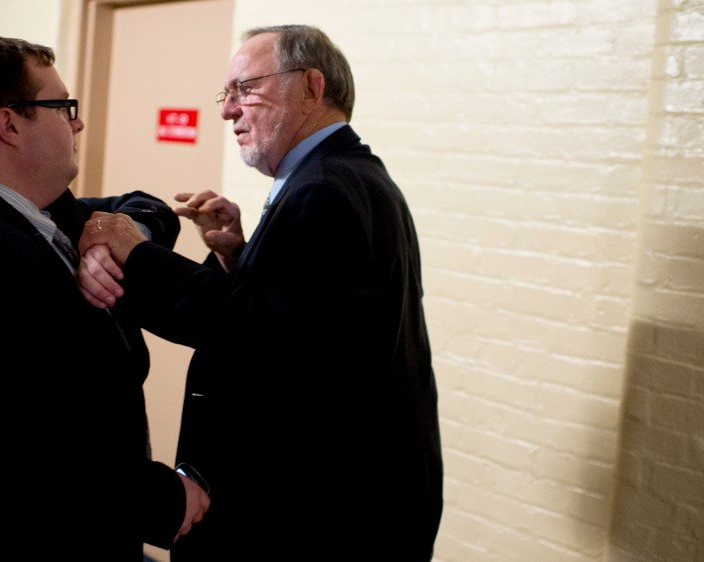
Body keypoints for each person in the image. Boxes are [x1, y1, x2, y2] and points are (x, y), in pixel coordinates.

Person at [77, 24, 443, 560]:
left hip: (319, 512)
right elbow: (310, 321)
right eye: (226, 94)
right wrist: (236, 256)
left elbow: (254, 333)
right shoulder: (346, 176)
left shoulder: (323, 189)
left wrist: (136, 251)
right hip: (345, 494)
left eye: (245, 89)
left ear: (312, 88)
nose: (227, 110)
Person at [0, 35, 208, 561]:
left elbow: (143, 206)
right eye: (63, 107)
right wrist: (160, 500)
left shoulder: (36, 211)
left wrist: (111, 243)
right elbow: (12, 453)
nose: (77, 123)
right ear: (9, 124)